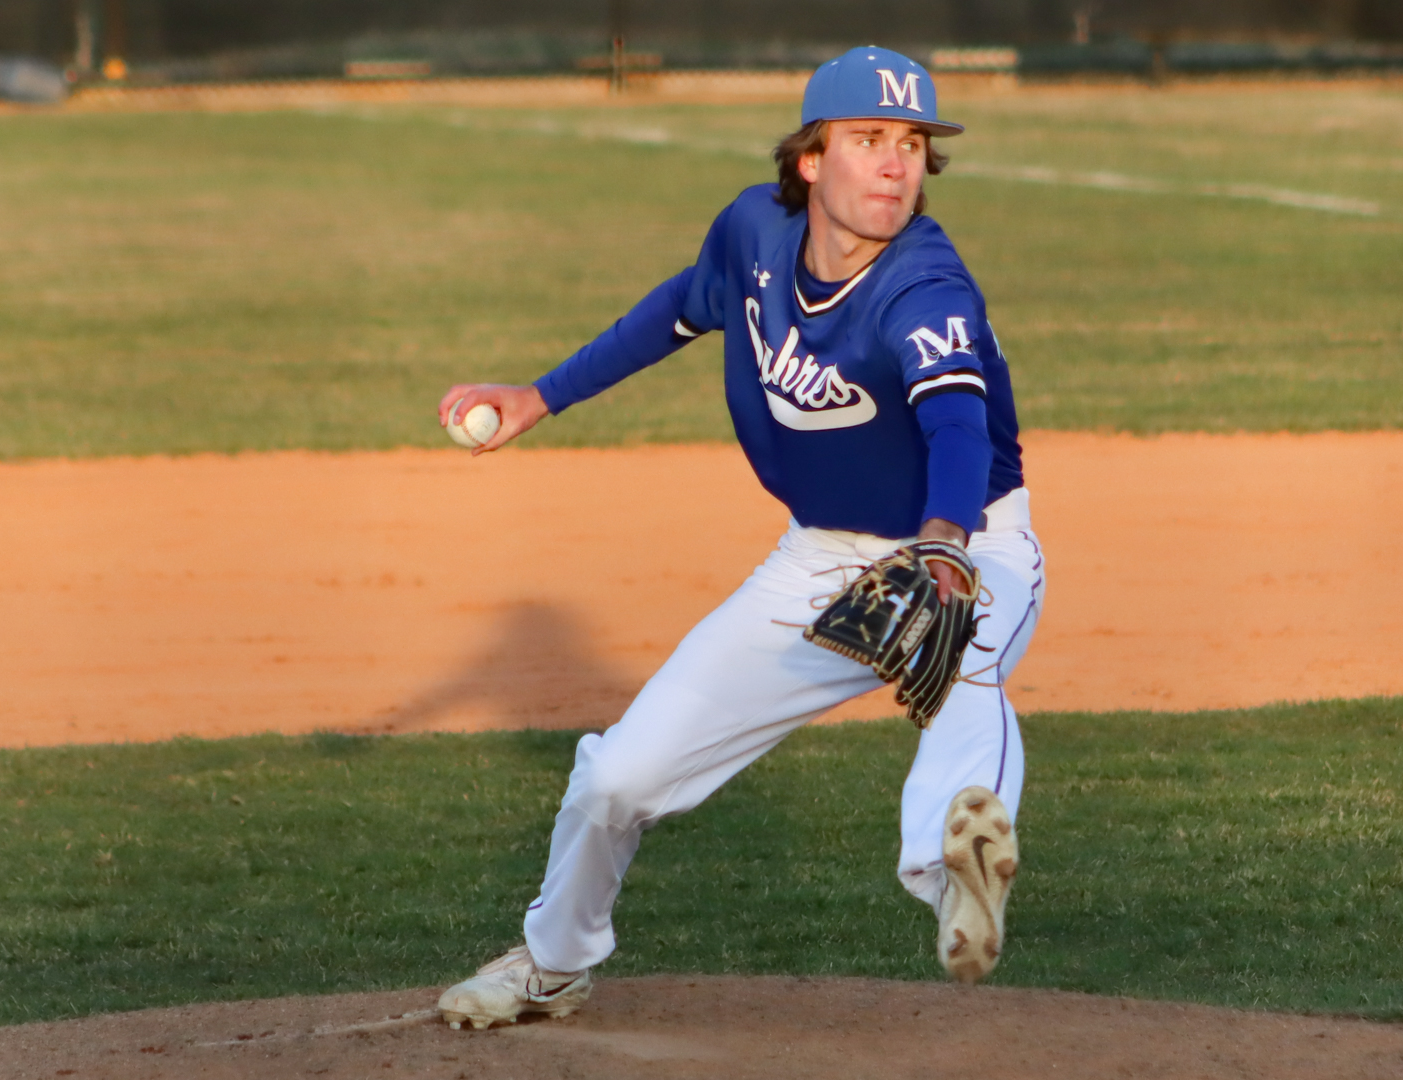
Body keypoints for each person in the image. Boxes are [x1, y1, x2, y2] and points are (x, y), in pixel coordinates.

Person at [434, 46, 1045, 1029]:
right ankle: (552, 961)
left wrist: (942, 546)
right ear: (811, 159)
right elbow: (674, 314)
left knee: (963, 653)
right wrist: (537, 396)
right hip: (816, 558)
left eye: (913, 144)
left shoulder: (926, 289)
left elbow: (959, 427)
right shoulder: (751, 236)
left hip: (967, 542)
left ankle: (952, 870)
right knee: (622, 776)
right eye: (870, 140)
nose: (896, 164)